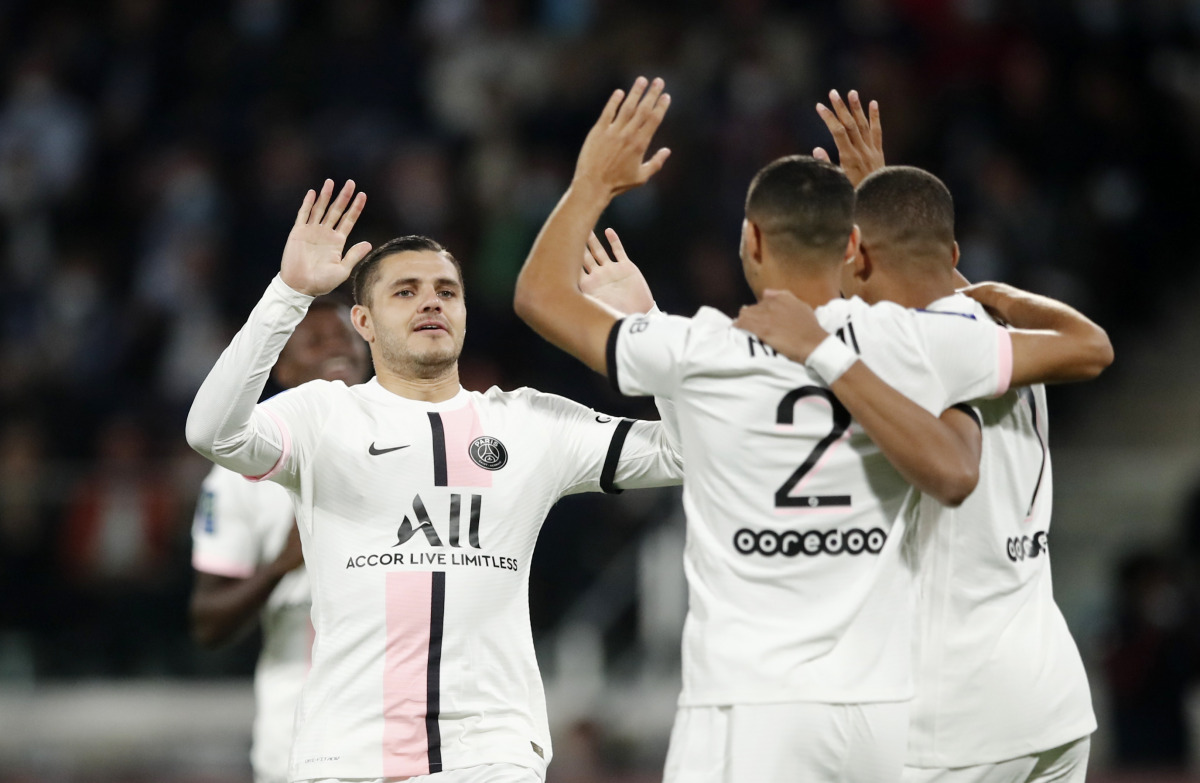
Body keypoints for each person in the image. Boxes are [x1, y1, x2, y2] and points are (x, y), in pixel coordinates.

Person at [512, 77, 1111, 783]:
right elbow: (1081, 345)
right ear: (852, 243)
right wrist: (974, 279)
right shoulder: (916, 341)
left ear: (752, 239)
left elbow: (540, 296)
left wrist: (591, 184)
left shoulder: (705, 348)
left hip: (758, 705)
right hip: (886, 710)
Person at [186, 178, 684, 783]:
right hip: (346, 757)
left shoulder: (531, 423)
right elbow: (211, 432)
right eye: (406, 291)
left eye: (447, 291)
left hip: (492, 755)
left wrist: (647, 331)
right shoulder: (322, 415)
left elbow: (686, 449)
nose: (431, 302)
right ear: (364, 322)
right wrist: (288, 293)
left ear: (466, 315)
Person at [775, 89, 1100, 783]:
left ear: (857, 252)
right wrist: (877, 197)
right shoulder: (999, 338)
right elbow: (1084, 344)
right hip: (1052, 698)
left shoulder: (915, 344)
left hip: (960, 716)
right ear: (953, 251)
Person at [189, 294, 370, 783]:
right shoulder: (237, 471)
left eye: (346, 337)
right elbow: (208, 622)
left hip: (400, 714)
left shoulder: (416, 438)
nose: (337, 347)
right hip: (298, 720)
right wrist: (280, 565)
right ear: (283, 371)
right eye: (316, 341)